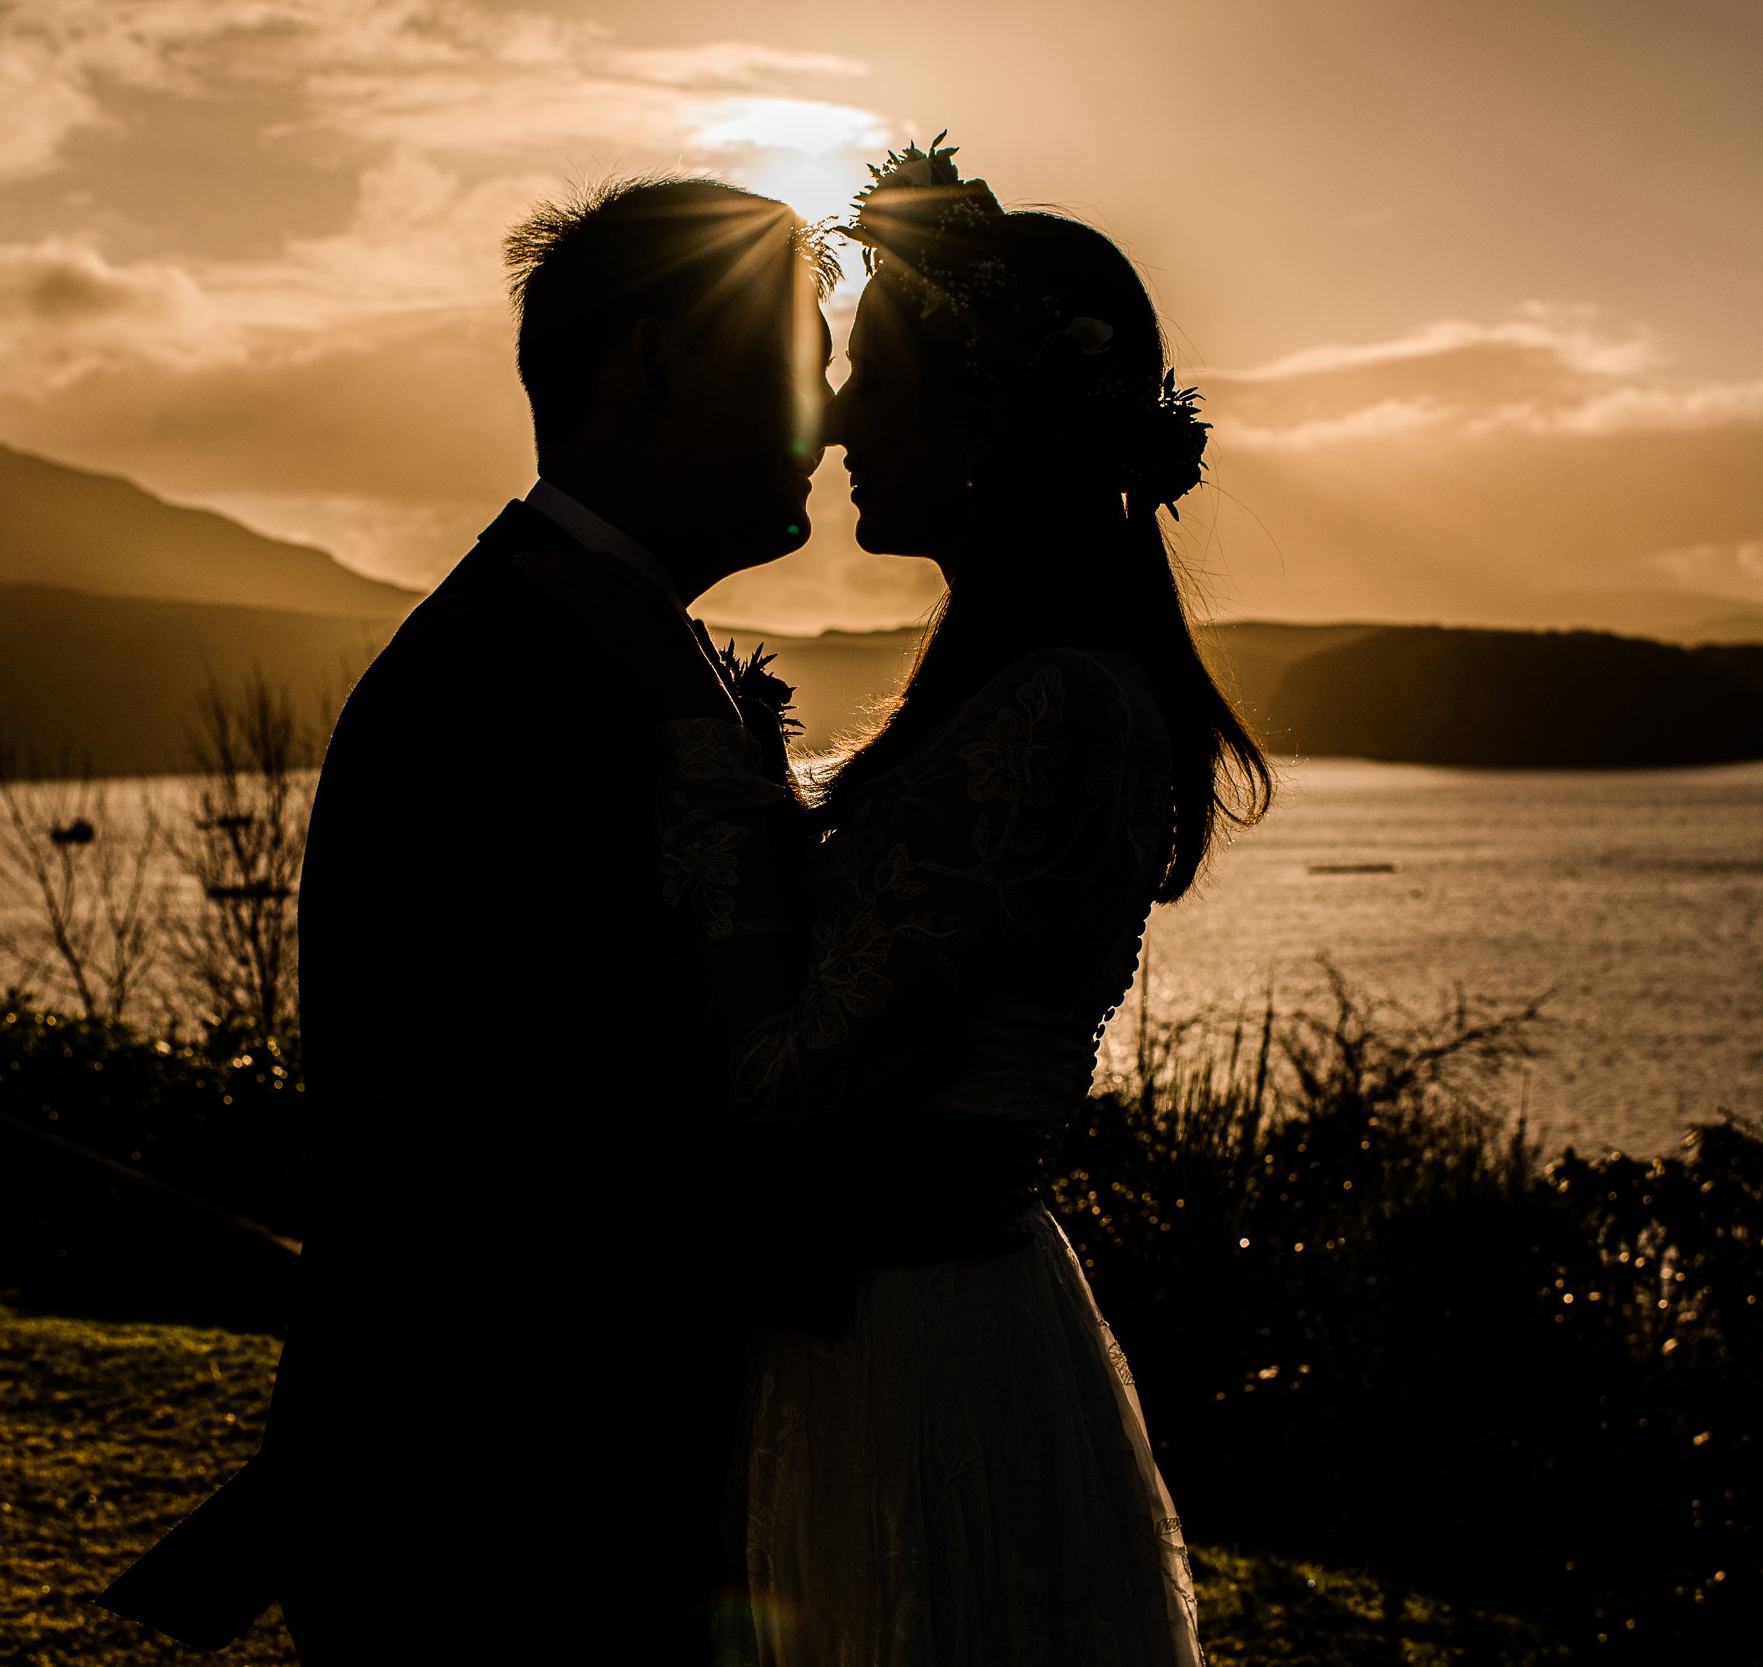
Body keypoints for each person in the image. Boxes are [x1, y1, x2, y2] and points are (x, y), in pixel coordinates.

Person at [101, 174, 1040, 1663]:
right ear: (655, 361)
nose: (834, 415)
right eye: (803, 357)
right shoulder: (501, 690)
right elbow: (539, 1147)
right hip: (512, 1532)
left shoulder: (589, 649)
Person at [525, 137, 1272, 1667]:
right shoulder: (1024, 693)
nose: (842, 408)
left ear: (994, 419)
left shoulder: (1057, 708)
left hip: (929, 1339)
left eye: (876, 370)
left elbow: (789, 1074)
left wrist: (711, 786)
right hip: (901, 1313)